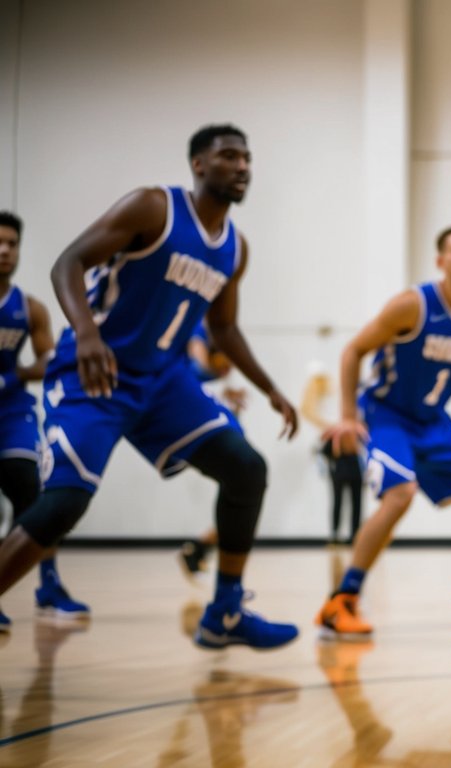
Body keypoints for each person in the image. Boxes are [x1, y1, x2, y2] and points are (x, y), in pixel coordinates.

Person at [0, 124, 300, 650]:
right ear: (199, 165)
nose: (243, 166)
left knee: (246, 469)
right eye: (229, 156)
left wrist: (270, 387)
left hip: (165, 382)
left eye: (248, 158)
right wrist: (88, 334)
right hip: (95, 373)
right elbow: (67, 262)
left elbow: (224, 328)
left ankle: (225, 612)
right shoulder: (153, 208)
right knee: (63, 505)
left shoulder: (235, 248)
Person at [316, 225, 451, 640]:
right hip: (385, 413)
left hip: (433, 421)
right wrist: (346, 414)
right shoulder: (413, 305)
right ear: (440, 261)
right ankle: (342, 600)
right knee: (399, 495)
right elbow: (353, 350)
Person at [0, 211, 89, 630]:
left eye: (12, 243)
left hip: (12, 411)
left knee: (34, 494)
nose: (4, 250)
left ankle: (49, 586)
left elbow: (47, 360)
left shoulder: (29, 308)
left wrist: (14, 374)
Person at [176, 320, 244, 579]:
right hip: (197, 425)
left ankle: (200, 548)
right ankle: (202, 551)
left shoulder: (219, 331)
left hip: (218, 422)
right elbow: (195, 370)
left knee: (241, 493)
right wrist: (217, 377)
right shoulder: (198, 329)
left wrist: (229, 396)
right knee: (242, 491)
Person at [301, 361, 364, 545]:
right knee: (338, 502)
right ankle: (335, 534)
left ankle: (355, 535)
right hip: (339, 466)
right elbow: (323, 452)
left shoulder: (355, 431)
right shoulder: (330, 433)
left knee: (356, 502)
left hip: (353, 465)